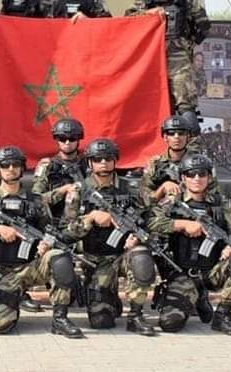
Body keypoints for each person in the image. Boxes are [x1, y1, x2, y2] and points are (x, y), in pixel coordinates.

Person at [0, 146, 83, 338]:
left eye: (15, 164)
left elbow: (49, 230)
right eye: (5, 165)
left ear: (22, 168)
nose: (10, 168)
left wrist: (46, 244)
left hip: (30, 267)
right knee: (1, 325)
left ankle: (60, 319)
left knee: (59, 257)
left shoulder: (36, 201)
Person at [150, 154, 231, 336]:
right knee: (170, 324)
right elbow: (151, 222)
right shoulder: (172, 203)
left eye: (202, 174)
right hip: (182, 273)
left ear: (209, 177)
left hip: (212, 271)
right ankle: (197, 296)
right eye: (191, 174)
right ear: (183, 177)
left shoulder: (222, 204)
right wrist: (182, 224)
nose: (197, 179)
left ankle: (223, 315)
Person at [61, 139, 157, 336]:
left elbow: (149, 221)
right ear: (90, 162)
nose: (103, 163)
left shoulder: (131, 188)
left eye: (108, 158)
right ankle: (109, 297)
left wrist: (137, 238)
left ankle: (136, 316)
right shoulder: (79, 191)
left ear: (115, 160)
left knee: (141, 257)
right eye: (98, 159)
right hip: (96, 260)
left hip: (123, 255)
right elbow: (65, 233)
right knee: (101, 322)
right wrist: (89, 218)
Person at [129, 0, 210, 117]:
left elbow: (203, 25)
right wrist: (149, 13)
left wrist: (187, 43)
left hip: (178, 56)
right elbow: (129, 19)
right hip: (151, 55)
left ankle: (188, 133)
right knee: (150, 101)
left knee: (184, 103)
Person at [32, 118, 87, 221]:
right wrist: (63, 190)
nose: (67, 142)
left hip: (84, 220)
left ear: (79, 139)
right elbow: (37, 199)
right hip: (56, 221)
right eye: (62, 139)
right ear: (57, 140)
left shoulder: (88, 165)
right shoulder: (47, 166)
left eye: (72, 138)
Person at [139, 115, 194, 206]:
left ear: (188, 136)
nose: (177, 137)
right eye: (172, 133)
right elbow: (144, 199)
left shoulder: (200, 163)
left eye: (181, 133)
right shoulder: (155, 164)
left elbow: (213, 195)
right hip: (163, 212)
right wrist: (163, 188)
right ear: (165, 137)